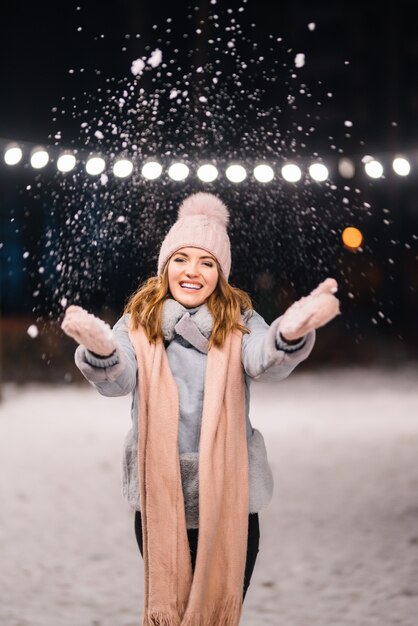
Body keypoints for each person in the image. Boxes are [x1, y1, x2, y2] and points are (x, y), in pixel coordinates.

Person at [61, 192, 339, 626]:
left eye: (206, 262)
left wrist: (289, 332)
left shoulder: (239, 318)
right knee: (174, 613)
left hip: (230, 492)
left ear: (221, 273)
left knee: (216, 614)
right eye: (181, 259)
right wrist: (102, 352)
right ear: (165, 265)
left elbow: (262, 360)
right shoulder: (139, 320)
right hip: (161, 493)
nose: (192, 271)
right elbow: (119, 379)